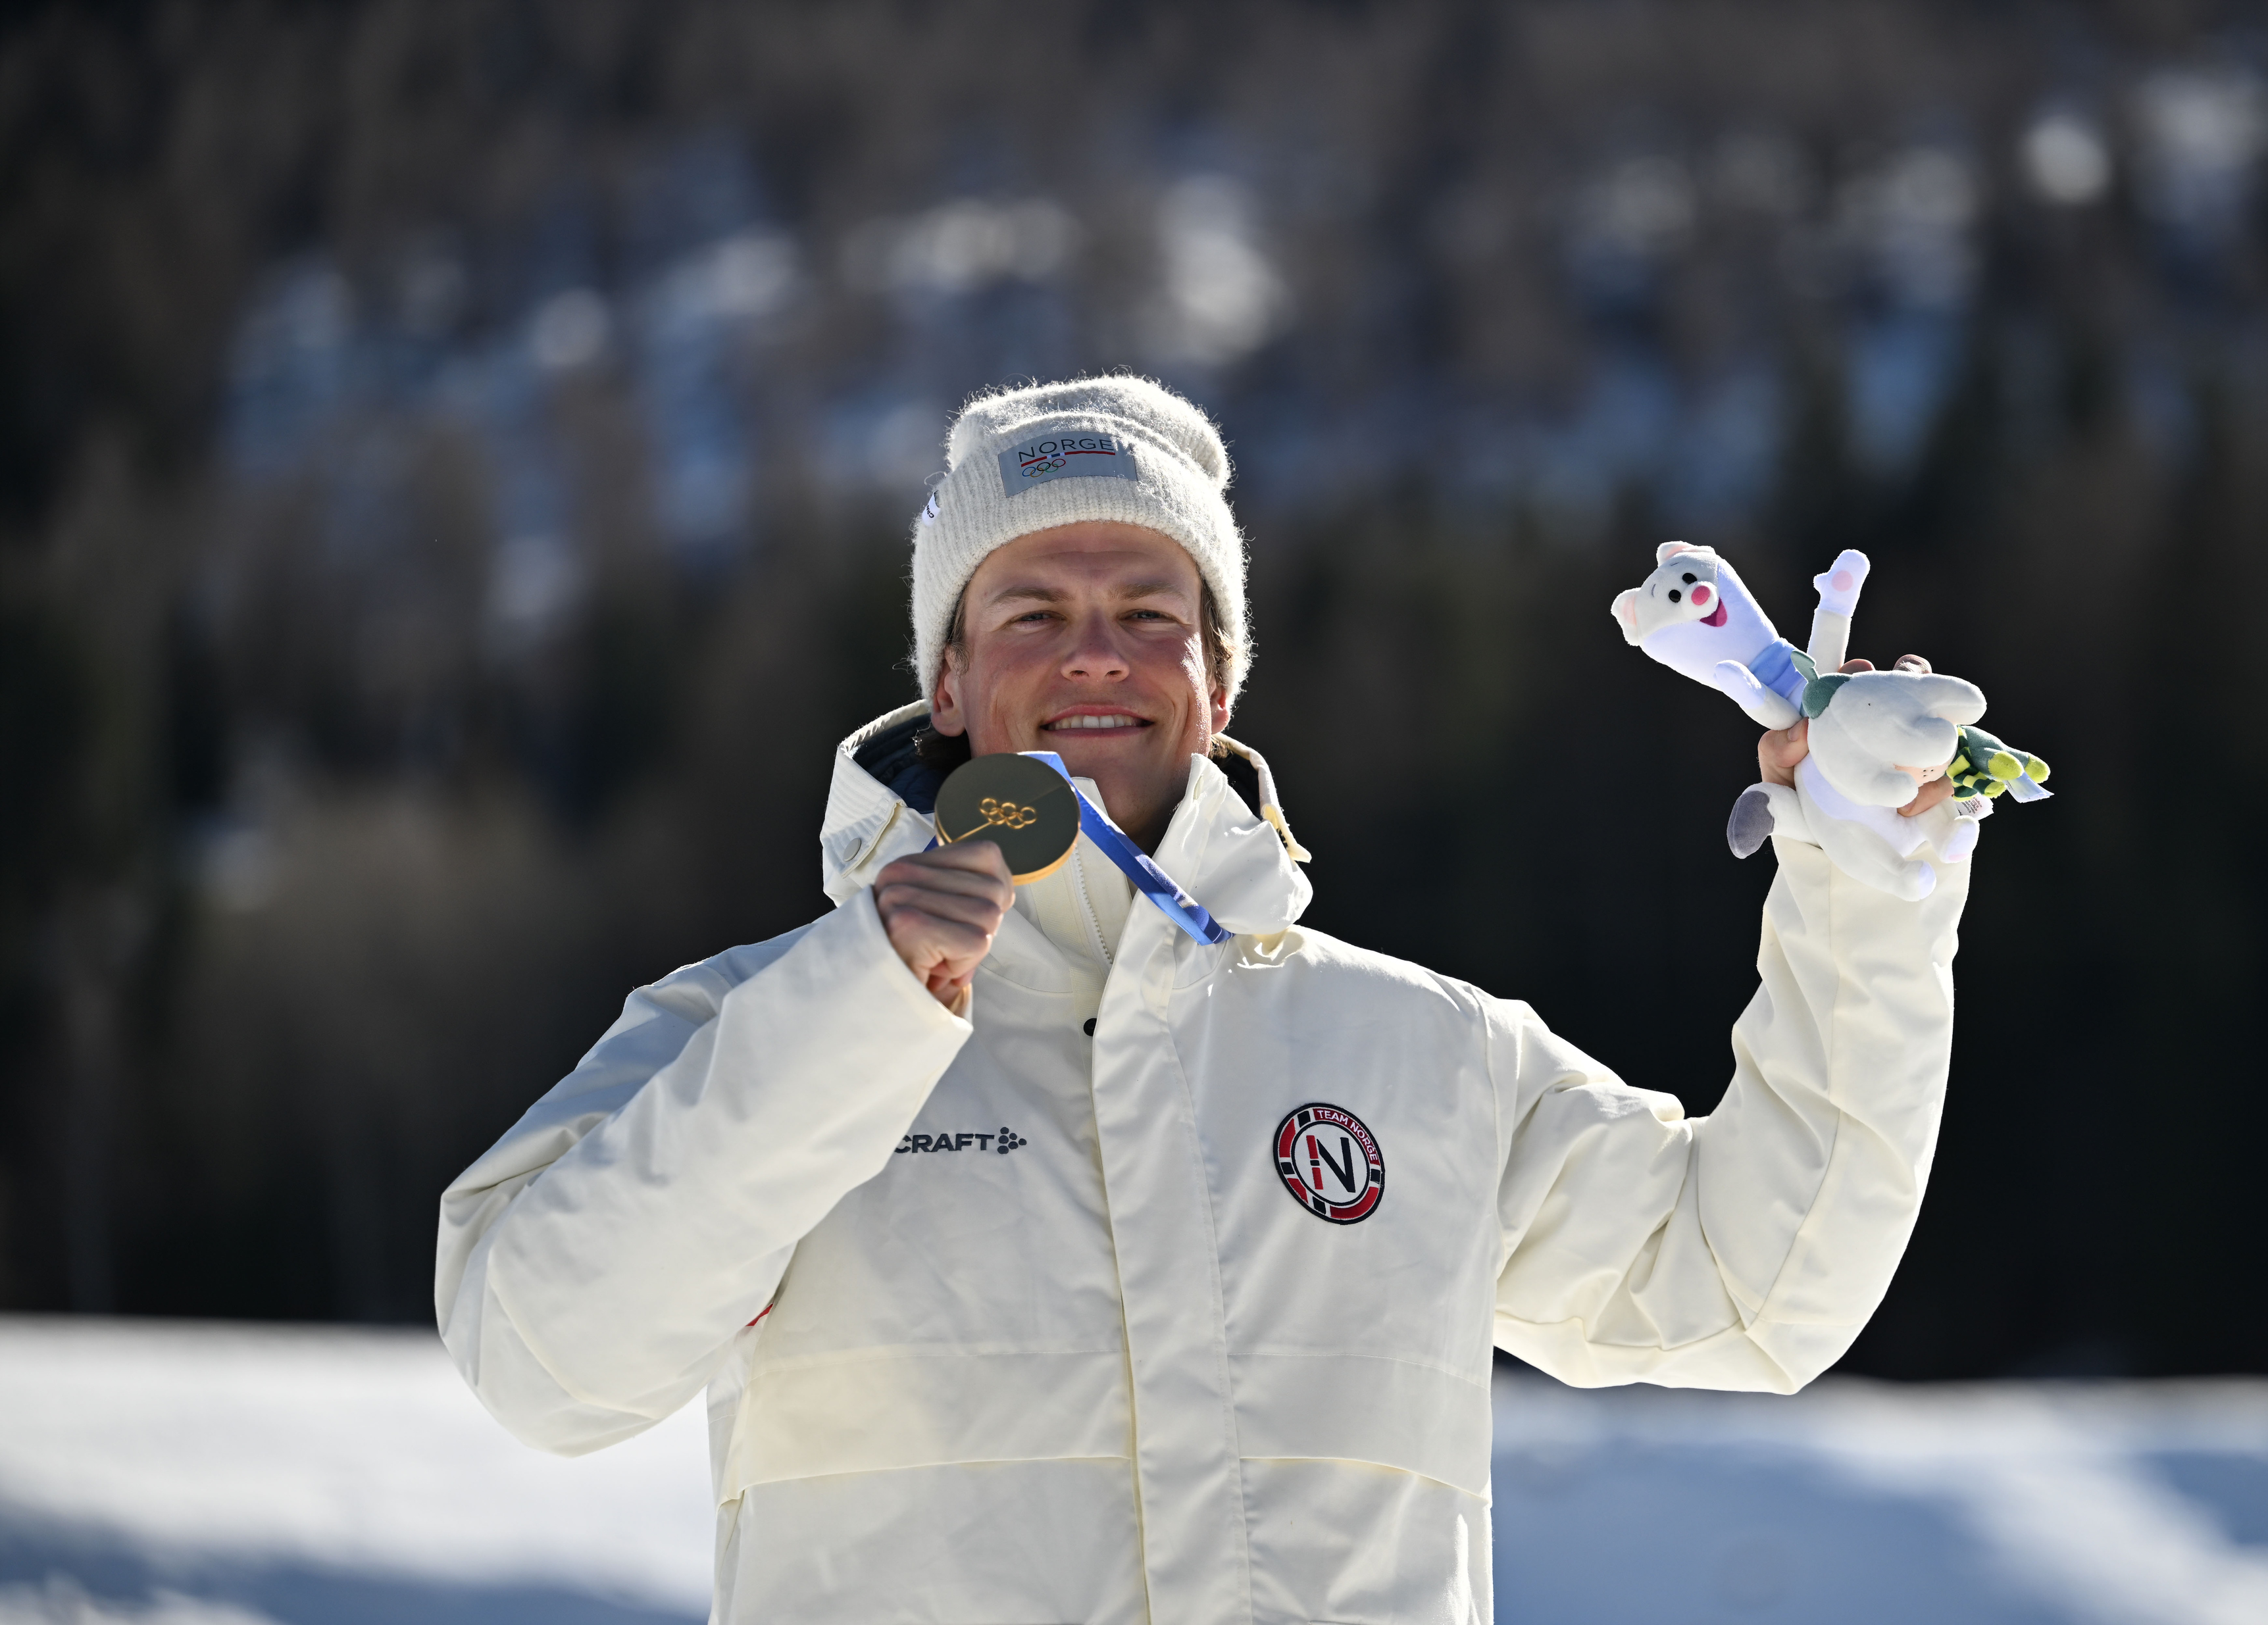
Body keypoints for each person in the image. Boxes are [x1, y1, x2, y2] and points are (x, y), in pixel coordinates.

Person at [436, 376, 1969, 1624]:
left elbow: (1755, 1286)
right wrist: (854, 1013)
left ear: (1218, 681)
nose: (1095, 655)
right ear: (946, 684)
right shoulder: (754, 1024)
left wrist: (1860, 876)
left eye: (1147, 611)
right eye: (1031, 612)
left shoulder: (1421, 1052)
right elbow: (546, 1359)